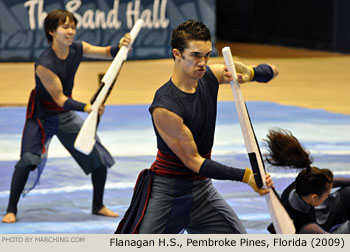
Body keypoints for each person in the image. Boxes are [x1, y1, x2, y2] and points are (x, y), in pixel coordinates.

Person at [116, 19, 278, 234]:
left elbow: (274, 71)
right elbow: (194, 161)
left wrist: (253, 72)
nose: (203, 62)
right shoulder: (165, 107)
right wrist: (246, 176)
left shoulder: (209, 76)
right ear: (176, 53)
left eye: (207, 55)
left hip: (202, 192)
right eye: (195, 55)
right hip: (169, 194)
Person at [2, 9, 132, 223]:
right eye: (65, 27)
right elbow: (60, 98)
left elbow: (109, 52)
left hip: (65, 116)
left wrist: (123, 44)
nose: (70, 31)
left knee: (98, 157)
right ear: (52, 31)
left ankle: (98, 206)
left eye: (72, 26)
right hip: (41, 117)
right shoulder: (45, 63)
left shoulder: (78, 48)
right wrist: (88, 107)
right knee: (27, 160)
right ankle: (11, 209)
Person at [265, 128, 350, 234]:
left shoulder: (303, 182)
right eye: (326, 195)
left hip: (322, 214)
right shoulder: (306, 226)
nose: (328, 196)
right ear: (314, 197)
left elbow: (330, 183)